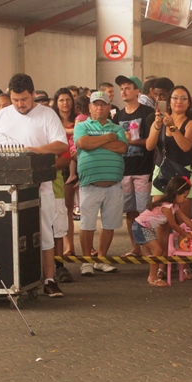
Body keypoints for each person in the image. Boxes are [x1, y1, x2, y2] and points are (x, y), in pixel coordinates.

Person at [0, 73, 69, 298]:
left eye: (24, 99)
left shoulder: (47, 115)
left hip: (40, 185)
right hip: (7, 186)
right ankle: (7, 279)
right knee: (6, 231)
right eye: (15, 100)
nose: (20, 104)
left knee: (45, 231)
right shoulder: (2, 115)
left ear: (33, 94)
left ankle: (49, 279)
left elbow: (61, 145)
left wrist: (35, 150)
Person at [74, 91, 127, 277]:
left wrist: (95, 142)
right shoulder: (82, 126)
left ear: (109, 107)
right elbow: (82, 142)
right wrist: (107, 138)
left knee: (109, 224)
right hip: (90, 184)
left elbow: (122, 147)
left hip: (113, 185)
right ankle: (87, 262)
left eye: (103, 104)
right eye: (95, 104)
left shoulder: (117, 128)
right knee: (87, 224)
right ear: (90, 107)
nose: (99, 107)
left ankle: (101, 259)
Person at [132, 176, 192, 287]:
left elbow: (185, 219)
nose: (186, 199)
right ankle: (152, 277)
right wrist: (187, 234)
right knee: (158, 250)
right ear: (176, 194)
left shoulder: (174, 206)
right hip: (140, 227)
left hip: (145, 227)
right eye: (184, 196)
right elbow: (173, 224)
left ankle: (152, 272)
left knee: (156, 251)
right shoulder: (167, 206)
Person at [111, 75, 155, 256]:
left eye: (128, 88)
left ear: (137, 91)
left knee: (145, 213)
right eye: (122, 88)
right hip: (125, 169)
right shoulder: (118, 116)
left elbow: (152, 141)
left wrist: (132, 142)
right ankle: (135, 247)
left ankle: (149, 248)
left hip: (143, 169)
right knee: (130, 212)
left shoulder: (147, 113)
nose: (124, 91)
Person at [146, 85, 192, 216]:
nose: (179, 101)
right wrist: (157, 126)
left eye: (183, 98)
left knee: (183, 218)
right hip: (162, 171)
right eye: (175, 98)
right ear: (169, 101)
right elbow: (149, 146)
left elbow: (186, 146)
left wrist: (172, 127)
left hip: (182, 172)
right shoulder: (159, 121)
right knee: (159, 217)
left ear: (188, 103)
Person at [51, 88, 78, 264]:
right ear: (56, 102)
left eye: (68, 99)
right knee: (65, 209)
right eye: (61, 100)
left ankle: (73, 246)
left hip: (76, 163)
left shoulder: (78, 120)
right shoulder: (52, 121)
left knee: (73, 209)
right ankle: (68, 246)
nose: (65, 103)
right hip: (60, 164)